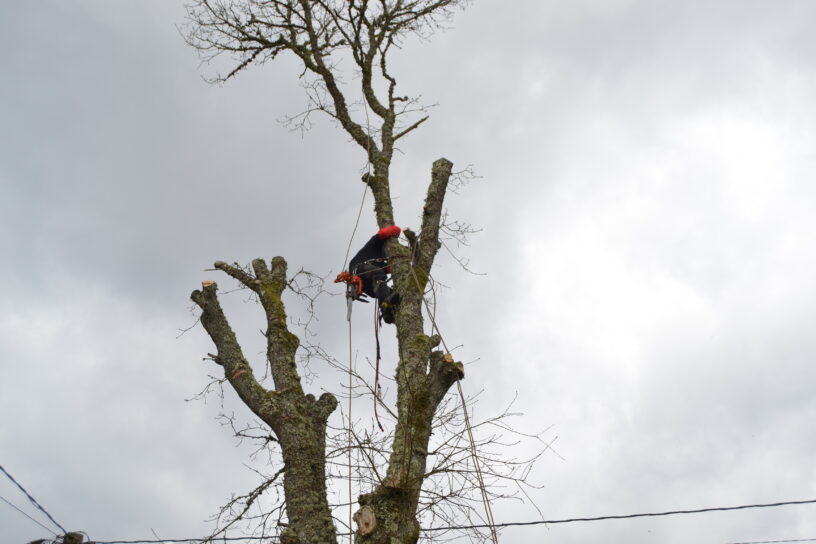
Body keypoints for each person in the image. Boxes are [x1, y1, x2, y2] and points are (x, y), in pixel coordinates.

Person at [336, 225, 401, 323]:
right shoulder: (376, 242)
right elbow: (383, 233)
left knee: (384, 290)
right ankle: (386, 300)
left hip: (367, 280)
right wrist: (397, 230)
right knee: (378, 274)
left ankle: (386, 311)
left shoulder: (382, 258)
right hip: (359, 269)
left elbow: (389, 268)